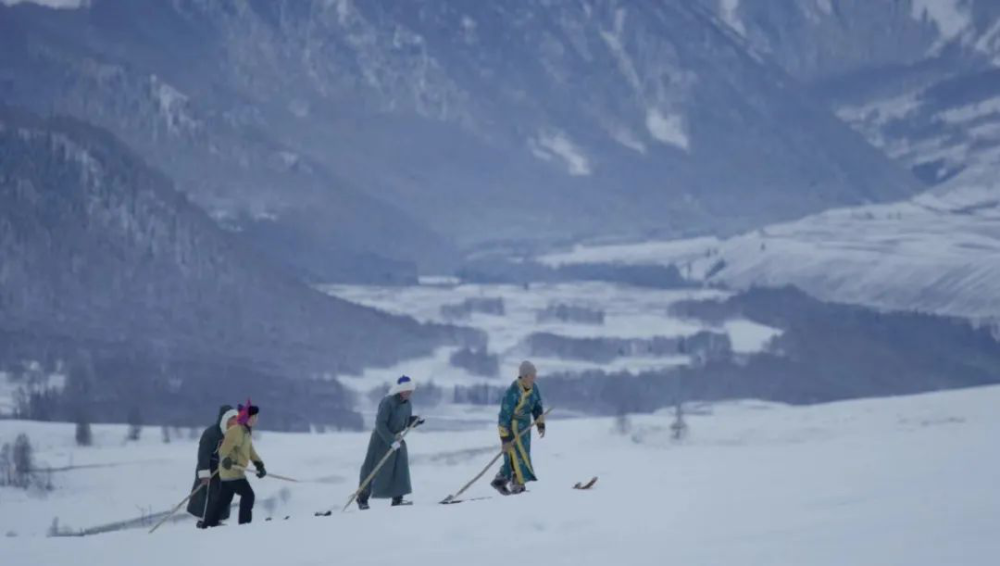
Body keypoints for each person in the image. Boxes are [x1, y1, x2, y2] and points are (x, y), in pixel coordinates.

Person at [356, 375, 424, 510]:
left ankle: (397, 499)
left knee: (399, 468)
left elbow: (403, 421)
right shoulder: (388, 402)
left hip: (397, 439)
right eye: (407, 391)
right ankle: (362, 498)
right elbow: (380, 424)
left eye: (411, 391)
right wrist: (390, 441)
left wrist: (413, 421)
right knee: (372, 468)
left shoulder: (407, 403)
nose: (409, 394)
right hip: (381, 439)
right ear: (400, 390)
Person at [203, 400, 265, 526]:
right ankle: (244, 524)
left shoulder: (246, 432)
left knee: (224, 501)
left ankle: (209, 523)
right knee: (248, 495)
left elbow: (251, 451)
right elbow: (224, 448)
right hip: (232, 472)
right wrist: (225, 458)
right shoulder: (236, 430)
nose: (255, 419)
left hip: (232, 473)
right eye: (253, 417)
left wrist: (259, 464)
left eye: (256, 417)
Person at [491, 360, 546, 496]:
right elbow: (504, 416)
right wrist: (505, 439)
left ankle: (500, 480)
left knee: (523, 455)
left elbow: (537, 406)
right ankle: (517, 485)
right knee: (513, 455)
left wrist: (540, 423)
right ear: (525, 376)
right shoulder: (512, 392)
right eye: (533, 375)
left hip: (525, 428)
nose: (535, 378)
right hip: (512, 428)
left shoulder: (534, 388)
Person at [188, 405, 238, 528]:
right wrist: (204, 474)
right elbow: (203, 455)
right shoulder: (210, 434)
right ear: (225, 419)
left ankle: (218, 519)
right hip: (210, 469)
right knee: (209, 495)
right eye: (232, 418)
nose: (235, 421)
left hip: (224, 471)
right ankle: (204, 520)